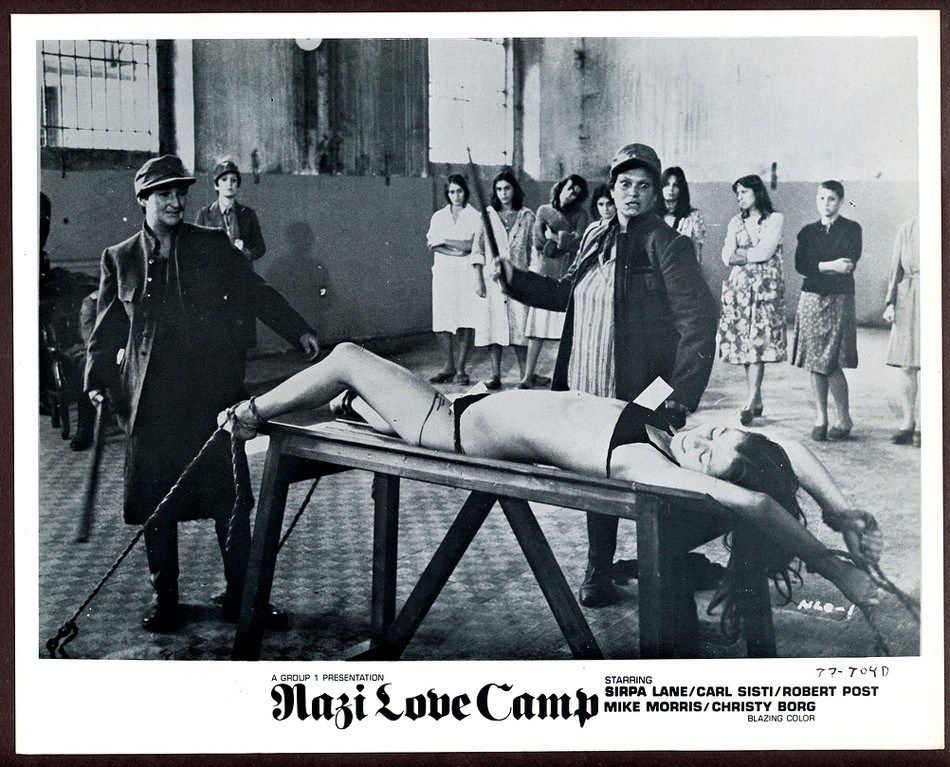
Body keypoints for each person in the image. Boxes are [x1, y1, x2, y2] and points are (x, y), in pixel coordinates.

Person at [219, 343, 885, 632]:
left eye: (709, 457)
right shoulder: (665, 433)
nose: (700, 441)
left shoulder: (645, 465)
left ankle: (248, 414)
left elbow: (757, 499)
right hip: (471, 403)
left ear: (703, 481)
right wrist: (841, 510)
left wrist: (836, 567)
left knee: (344, 357)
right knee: (362, 392)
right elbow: (787, 450)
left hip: (447, 425)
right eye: (714, 433)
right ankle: (355, 410)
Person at [85, 155, 321, 633]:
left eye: (180, 193)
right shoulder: (120, 257)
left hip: (210, 396)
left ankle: (243, 596)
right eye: (164, 194)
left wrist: (298, 330)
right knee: (156, 503)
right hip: (150, 403)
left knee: (229, 498)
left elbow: (254, 290)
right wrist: (95, 380)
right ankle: (165, 600)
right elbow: (105, 330)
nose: (175, 202)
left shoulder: (211, 244)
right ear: (143, 200)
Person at [495, 142, 719, 615]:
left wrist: (677, 394)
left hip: (644, 388)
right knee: (598, 475)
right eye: (624, 184)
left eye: (643, 185)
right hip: (586, 378)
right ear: (612, 190)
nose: (632, 193)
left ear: (655, 193)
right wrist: (515, 279)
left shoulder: (668, 244)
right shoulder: (596, 236)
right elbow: (564, 294)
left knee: (647, 476)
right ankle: (599, 569)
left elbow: (698, 322)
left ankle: (667, 564)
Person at [791, 181, 862, 442]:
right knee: (814, 360)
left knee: (830, 361)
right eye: (821, 198)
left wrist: (819, 265)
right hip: (811, 298)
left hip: (838, 298)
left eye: (831, 199)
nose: (826, 204)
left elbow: (849, 263)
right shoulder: (807, 232)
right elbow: (802, 264)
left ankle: (844, 418)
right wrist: (831, 265)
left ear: (840, 201)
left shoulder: (851, 229)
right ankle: (821, 417)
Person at [716, 175, 787, 426]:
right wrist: (748, 254)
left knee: (758, 346)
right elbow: (726, 255)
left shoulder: (774, 219)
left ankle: (750, 401)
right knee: (747, 346)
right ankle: (755, 399)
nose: (740, 197)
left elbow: (765, 252)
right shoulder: (735, 221)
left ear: (758, 193)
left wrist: (742, 253)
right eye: (738, 193)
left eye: (745, 192)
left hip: (765, 291)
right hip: (740, 291)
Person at [522, 174, 590, 389]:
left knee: (565, 331)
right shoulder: (543, 210)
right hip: (544, 273)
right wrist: (564, 239)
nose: (571, 195)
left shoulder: (581, 214)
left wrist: (555, 237)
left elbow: (580, 243)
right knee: (537, 330)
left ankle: (564, 379)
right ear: (561, 188)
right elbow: (539, 243)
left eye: (576, 193)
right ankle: (527, 377)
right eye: (569, 189)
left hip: (567, 274)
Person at [471, 169, 535, 390]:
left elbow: (533, 249)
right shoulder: (487, 216)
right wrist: (478, 279)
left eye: (507, 188)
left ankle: (525, 376)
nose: (503, 193)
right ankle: (495, 374)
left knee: (521, 328)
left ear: (514, 190)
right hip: (493, 280)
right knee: (493, 325)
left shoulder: (527, 216)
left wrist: (532, 278)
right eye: (499, 189)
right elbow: (477, 249)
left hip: (520, 279)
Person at [425, 174, 481, 386]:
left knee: (466, 320)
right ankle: (448, 366)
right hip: (443, 274)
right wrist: (456, 250)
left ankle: (461, 369)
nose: (455, 196)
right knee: (442, 321)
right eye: (451, 192)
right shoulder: (439, 216)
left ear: (465, 192)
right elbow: (432, 243)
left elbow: (471, 245)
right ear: (447, 193)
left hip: (466, 274)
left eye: (459, 191)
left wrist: (446, 240)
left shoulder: (475, 216)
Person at [883, 218, 920, 445]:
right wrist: (890, 303)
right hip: (909, 297)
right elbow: (895, 269)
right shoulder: (906, 229)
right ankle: (908, 422)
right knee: (907, 365)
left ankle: (927, 423)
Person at [194, 159, 266, 263]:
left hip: (241, 271)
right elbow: (195, 248)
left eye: (233, 180)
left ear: (237, 185)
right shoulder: (204, 214)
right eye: (224, 179)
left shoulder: (248, 214)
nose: (229, 184)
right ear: (216, 185)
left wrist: (244, 251)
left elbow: (260, 248)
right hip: (215, 271)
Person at [656, 167, 706, 263]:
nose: (671, 189)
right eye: (666, 184)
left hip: (683, 269)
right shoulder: (651, 216)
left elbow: (697, 254)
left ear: (681, 189)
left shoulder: (693, 217)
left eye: (675, 185)